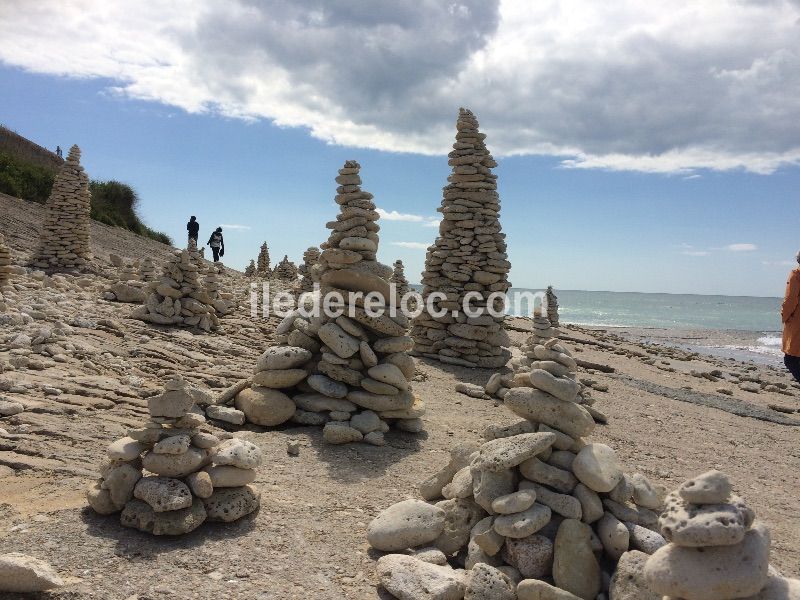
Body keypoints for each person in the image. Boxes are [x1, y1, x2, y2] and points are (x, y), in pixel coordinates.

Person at [781, 250, 800, 382]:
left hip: (797, 322)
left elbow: (790, 300)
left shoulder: (796, 274)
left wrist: (785, 316)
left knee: (791, 359)